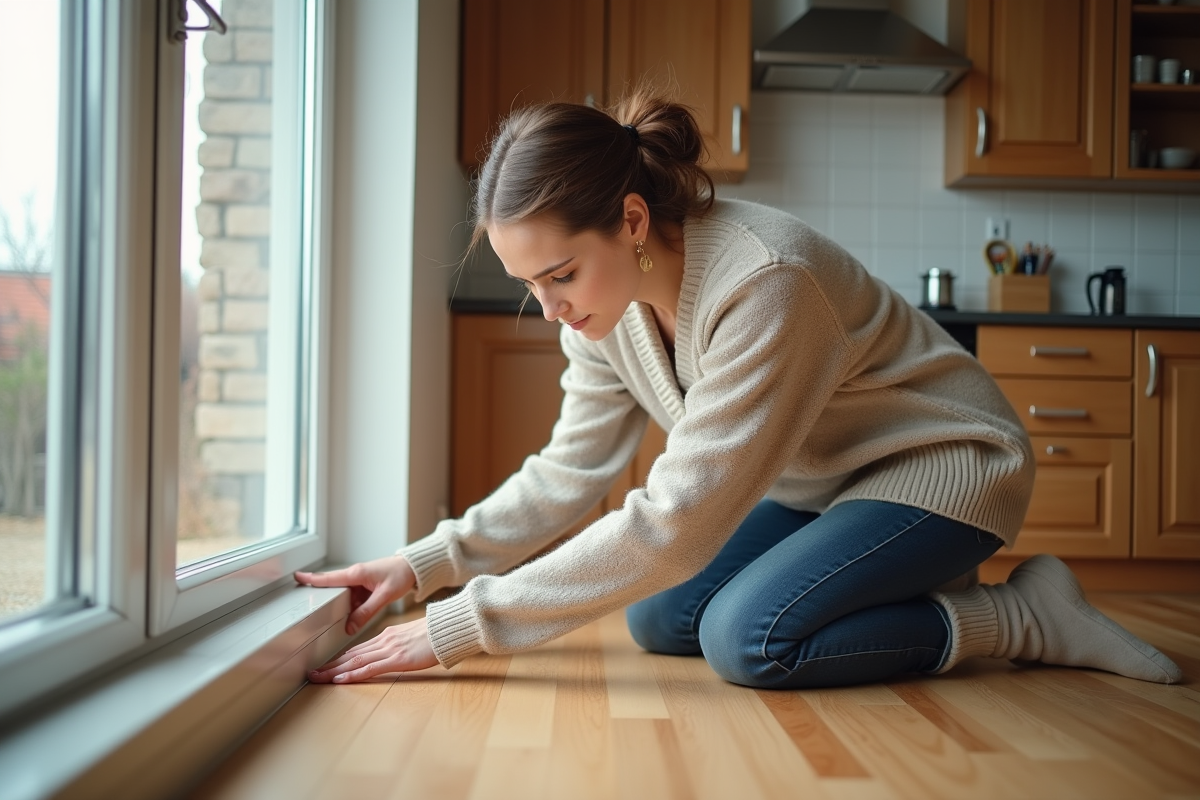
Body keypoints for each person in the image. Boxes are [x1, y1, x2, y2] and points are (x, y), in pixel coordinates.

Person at [295, 88, 1182, 689]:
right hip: (823, 485)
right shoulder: (604, 314)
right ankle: (888, 585)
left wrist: (460, 626)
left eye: (559, 273)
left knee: (747, 639)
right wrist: (422, 566)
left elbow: (676, 522)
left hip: (942, 471)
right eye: (532, 284)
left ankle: (1022, 618)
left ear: (631, 221)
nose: (549, 306)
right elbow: (569, 471)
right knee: (658, 617)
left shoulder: (764, 281)